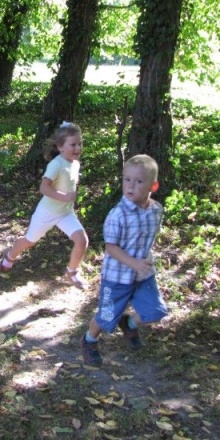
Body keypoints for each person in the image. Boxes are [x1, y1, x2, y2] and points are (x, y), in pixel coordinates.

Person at [80, 154, 168, 366]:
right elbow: (111, 247)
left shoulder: (156, 210)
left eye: (139, 182)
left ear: (152, 186)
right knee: (106, 316)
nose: (131, 186)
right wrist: (134, 263)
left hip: (143, 275)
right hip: (116, 277)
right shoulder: (117, 215)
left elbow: (150, 237)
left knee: (155, 311)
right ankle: (89, 340)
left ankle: (129, 324)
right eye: (126, 179)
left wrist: (142, 262)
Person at [0, 121, 90, 288]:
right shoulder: (56, 164)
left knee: (82, 240)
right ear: (61, 146)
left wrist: (67, 200)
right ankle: (10, 256)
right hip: (47, 212)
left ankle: (72, 273)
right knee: (30, 241)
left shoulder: (75, 163)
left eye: (80, 144)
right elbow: (43, 188)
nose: (77, 148)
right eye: (73, 144)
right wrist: (64, 197)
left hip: (65, 213)